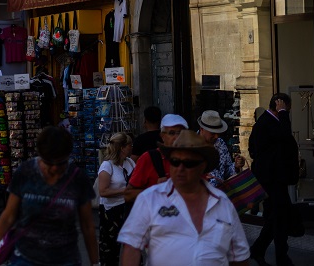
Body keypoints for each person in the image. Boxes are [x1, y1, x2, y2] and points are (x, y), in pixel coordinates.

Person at [117, 131, 250, 266]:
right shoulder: (150, 199)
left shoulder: (223, 203)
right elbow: (131, 248)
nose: (180, 168)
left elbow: (239, 257)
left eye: (188, 163)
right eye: (175, 161)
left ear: (202, 166)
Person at [0, 126, 98, 266]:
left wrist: (95, 263)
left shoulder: (78, 179)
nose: (54, 168)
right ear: (41, 156)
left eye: (61, 163)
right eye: (49, 163)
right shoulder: (26, 172)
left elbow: (87, 226)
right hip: (25, 258)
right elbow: (8, 217)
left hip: (65, 259)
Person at [248, 93, 300, 266]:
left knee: (277, 217)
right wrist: (283, 113)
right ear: (279, 106)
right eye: (287, 108)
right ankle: (278, 256)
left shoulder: (266, 123)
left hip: (274, 177)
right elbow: (285, 136)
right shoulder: (267, 123)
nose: (288, 112)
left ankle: (260, 250)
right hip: (272, 179)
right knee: (278, 216)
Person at [124, 114, 187, 203]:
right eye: (172, 133)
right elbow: (128, 195)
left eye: (180, 133)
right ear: (162, 135)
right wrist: (156, 190)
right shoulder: (148, 158)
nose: (177, 137)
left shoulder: (191, 159)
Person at [97, 132, 135, 266]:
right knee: (110, 248)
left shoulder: (129, 162)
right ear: (122, 147)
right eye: (130, 145)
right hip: (111, 212)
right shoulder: (107, 166)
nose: (132, 147)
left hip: (128, 208)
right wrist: (124, 191)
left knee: (131, 244)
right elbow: (103, 191)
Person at [197, 110, 235, 187]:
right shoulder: (190, 145)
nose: (216, 136)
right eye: (213, 133)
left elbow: (228, 171)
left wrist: (236, 166)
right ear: (202, 129)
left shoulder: (220, 143)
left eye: (218, 133)